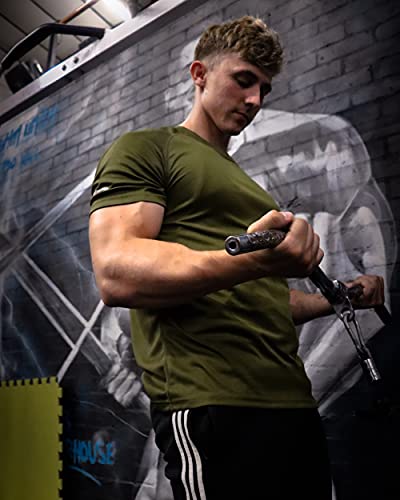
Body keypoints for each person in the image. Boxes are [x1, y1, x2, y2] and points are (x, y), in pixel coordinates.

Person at [88, 16, 385, 500]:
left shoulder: (248, 186)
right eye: (243, 80)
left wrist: (340, 298)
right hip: (213, 402)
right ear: (199, 74)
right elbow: (117, 271)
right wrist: (255, 262)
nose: (255, 100)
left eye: (264, 89)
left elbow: (261, 297)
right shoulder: (147, 149)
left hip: (292, 402)